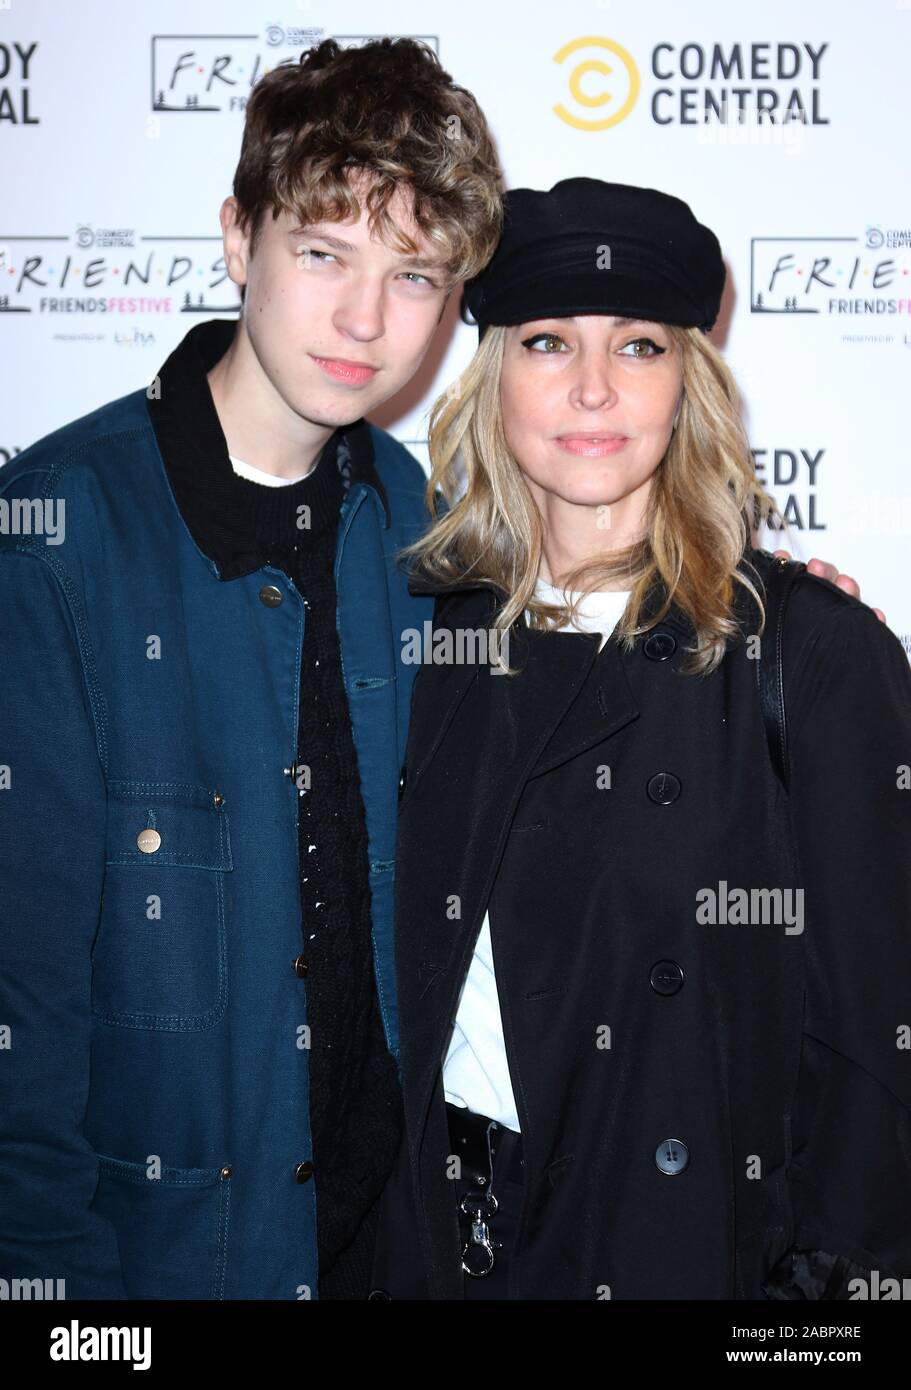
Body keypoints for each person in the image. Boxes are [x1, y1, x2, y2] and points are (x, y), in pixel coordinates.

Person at [0, 37, 503, 1301]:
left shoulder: (423, 532)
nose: (364, 321)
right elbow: (23, 1004)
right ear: (239, 240)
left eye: (414, 275)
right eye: (323, 253)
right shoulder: (56, 538)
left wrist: (783, 631)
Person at [370, 178, 911, 1300]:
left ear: (688, 383)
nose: (591, 388)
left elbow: (877, 1055)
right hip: (448, 1252)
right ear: (492, 376)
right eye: (547, 342)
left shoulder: (809, 653)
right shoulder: (427, 632)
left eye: (640, 347)